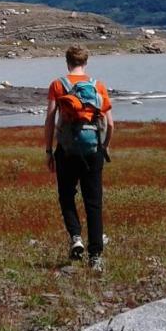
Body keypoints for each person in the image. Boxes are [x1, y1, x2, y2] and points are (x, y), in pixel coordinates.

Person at [44, 45, 114, 268]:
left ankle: (75, 237)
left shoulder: (58, 85)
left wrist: (48, 150)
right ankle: (96, 257)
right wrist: (105, 145)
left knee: (66, 196)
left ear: (67, 62)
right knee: (93, 202)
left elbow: (50, 120)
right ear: (86, 62)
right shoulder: (98, 86)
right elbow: (110, 123)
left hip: (66, 150)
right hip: (93, 149)